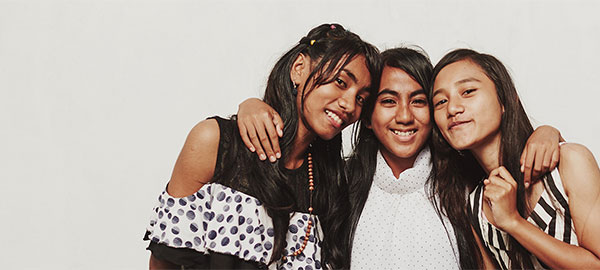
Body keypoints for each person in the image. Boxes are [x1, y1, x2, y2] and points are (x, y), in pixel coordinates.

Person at [236, 47, 562, 269]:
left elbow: (505, 150)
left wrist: (547, 131)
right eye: (388, 101)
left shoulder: (466, 183)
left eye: (419, 101)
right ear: (366, 114)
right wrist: (253, 105)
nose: (404, 116)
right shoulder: (339, 182)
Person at [143, 23, 381, 270]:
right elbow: (165, 261)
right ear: (299, 68)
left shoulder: (329, 182)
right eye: (341, 82)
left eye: (361, 98)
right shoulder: (215, 143)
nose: (350, 105)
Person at [429, 48, 600, 269]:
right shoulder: (474, 206)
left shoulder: (570, 163)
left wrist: (513, 222)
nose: (452, 108)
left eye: (468, 91)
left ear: (504, 101)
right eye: (440, 102)